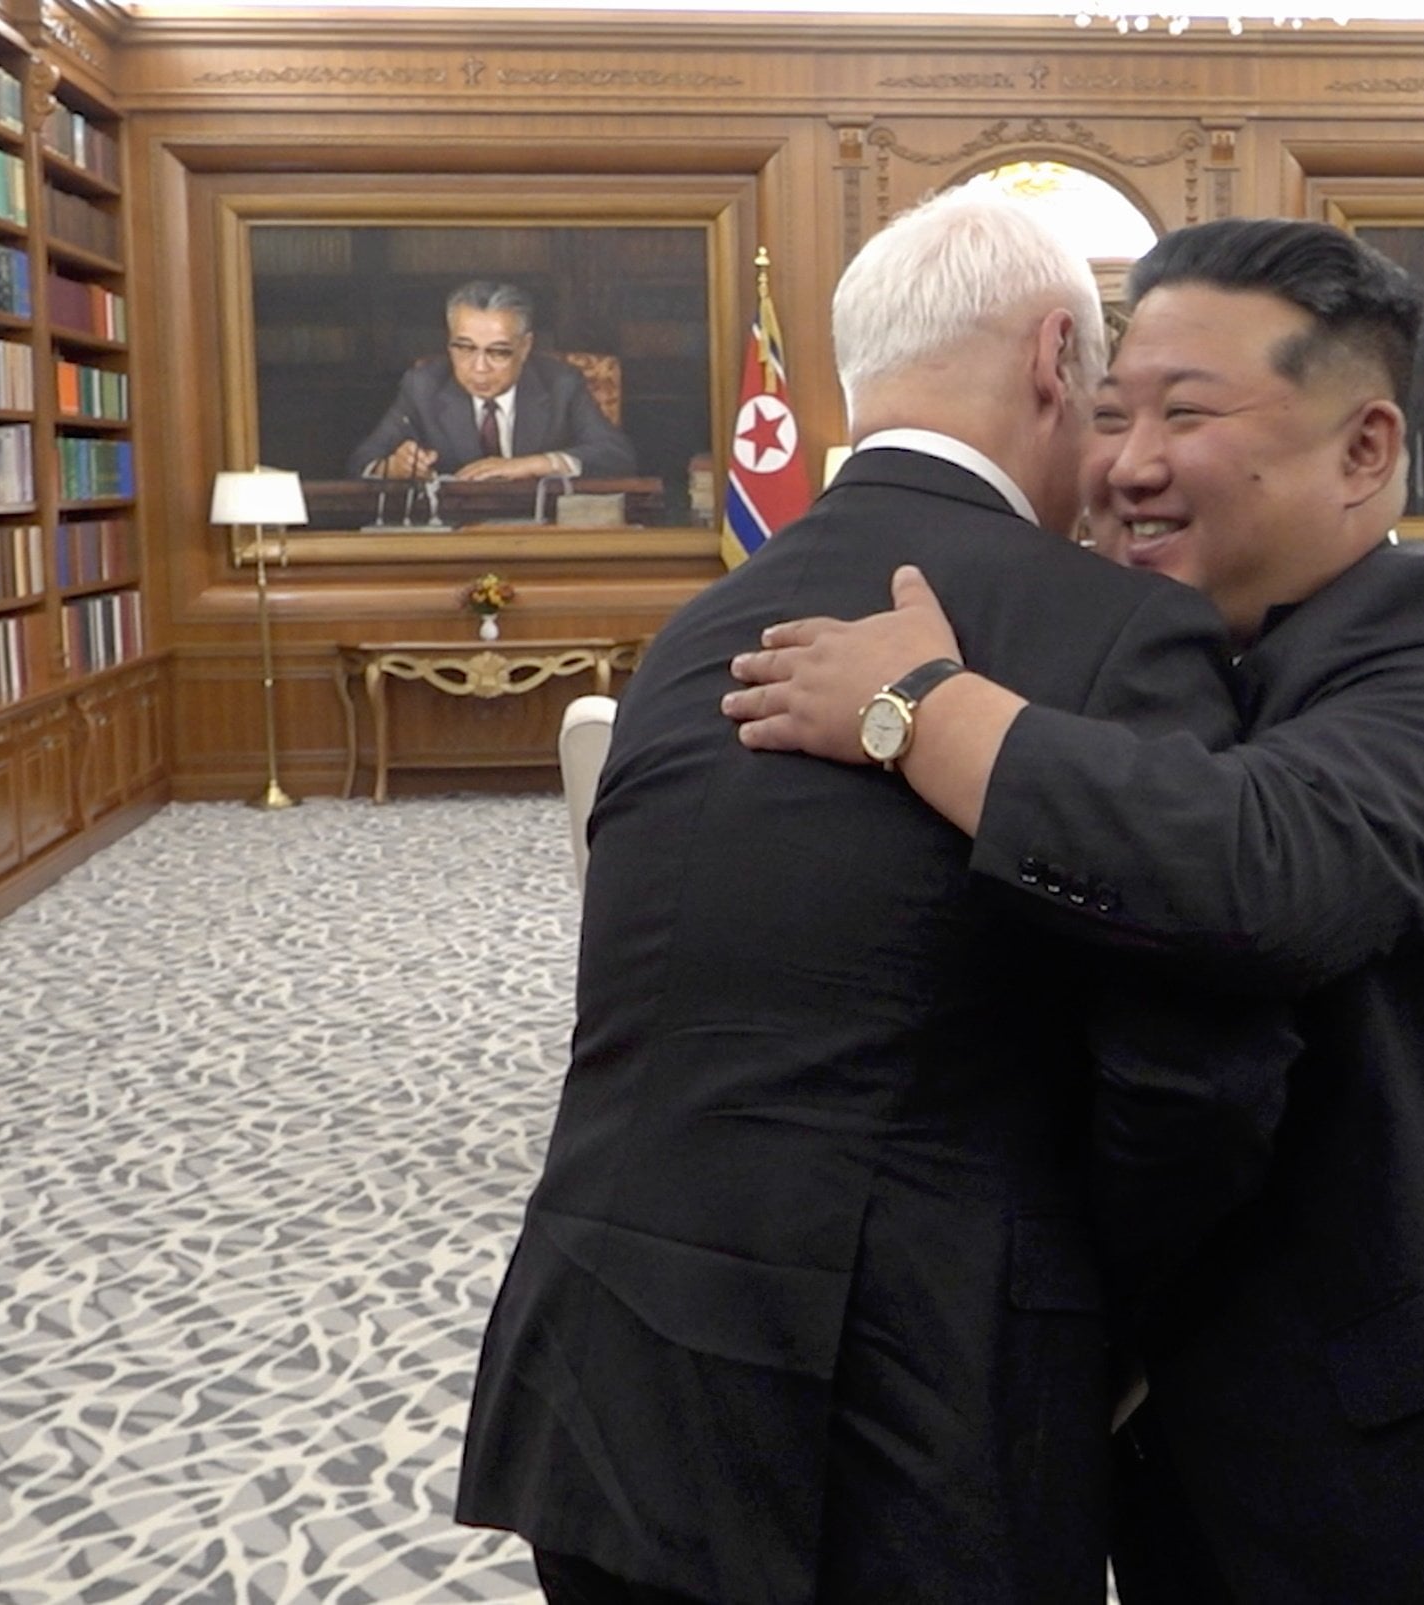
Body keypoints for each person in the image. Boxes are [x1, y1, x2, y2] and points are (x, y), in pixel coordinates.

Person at [724, 218, 1424, 1604]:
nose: (1129, 463)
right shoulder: (1162, 663)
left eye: (1185, 414)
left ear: (1367, 450)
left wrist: (922, 710)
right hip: (1229, 1451)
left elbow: (1265, 869)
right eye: (1109, 412)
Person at [458, 192, 1292, 1605]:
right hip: (914, 1411)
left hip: (605, 1373)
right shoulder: (1116, 628)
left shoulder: (698, 630)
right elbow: (1193, 1067)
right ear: (1052, 361)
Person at [346, 280, 638, 481]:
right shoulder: (423, 385)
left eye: (498, 352)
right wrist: (393, 468)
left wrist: (534, 464)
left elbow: (616, 456)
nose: (479, 367)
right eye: (464, 348)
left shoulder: (560, 383)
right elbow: (362, 463)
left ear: (524, 347)